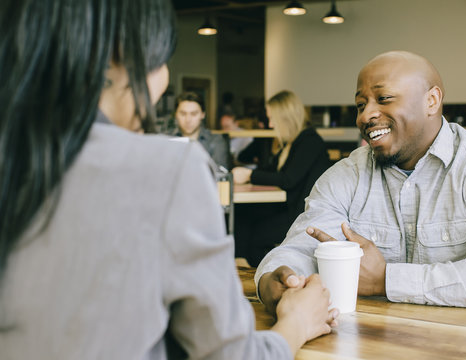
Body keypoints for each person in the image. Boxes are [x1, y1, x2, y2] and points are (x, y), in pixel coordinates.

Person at [0, 0, 339, 359]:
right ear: (121, 54)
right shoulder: (170, 169)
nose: (162, 82)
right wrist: (298, 322)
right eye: (162, 59)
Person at [255, 51, 466, 314]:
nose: (365, 115)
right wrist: (274, 279)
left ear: (432, 101)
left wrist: (385, 280)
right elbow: (298, 251)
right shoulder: (345, 175)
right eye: (360, 105)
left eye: (384, 98)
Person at [232, 90, 331, 266]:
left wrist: (250, 175)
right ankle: (243, 267)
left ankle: (264, 272)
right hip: (288, 206)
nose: (270, 124)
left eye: (272, 118)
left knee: (255, 235)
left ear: (286, 118)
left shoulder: (310, 141)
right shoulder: (293, 142)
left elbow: (288, 179)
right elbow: (273, 171)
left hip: (301, 214)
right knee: (242, 215)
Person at [175, 91, 232, 169]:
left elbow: (220, 173)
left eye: (194, 114)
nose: (188, 120)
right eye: (183, 114)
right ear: (176, 114)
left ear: (202, 115)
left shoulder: (216, 140)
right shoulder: (166, 140)